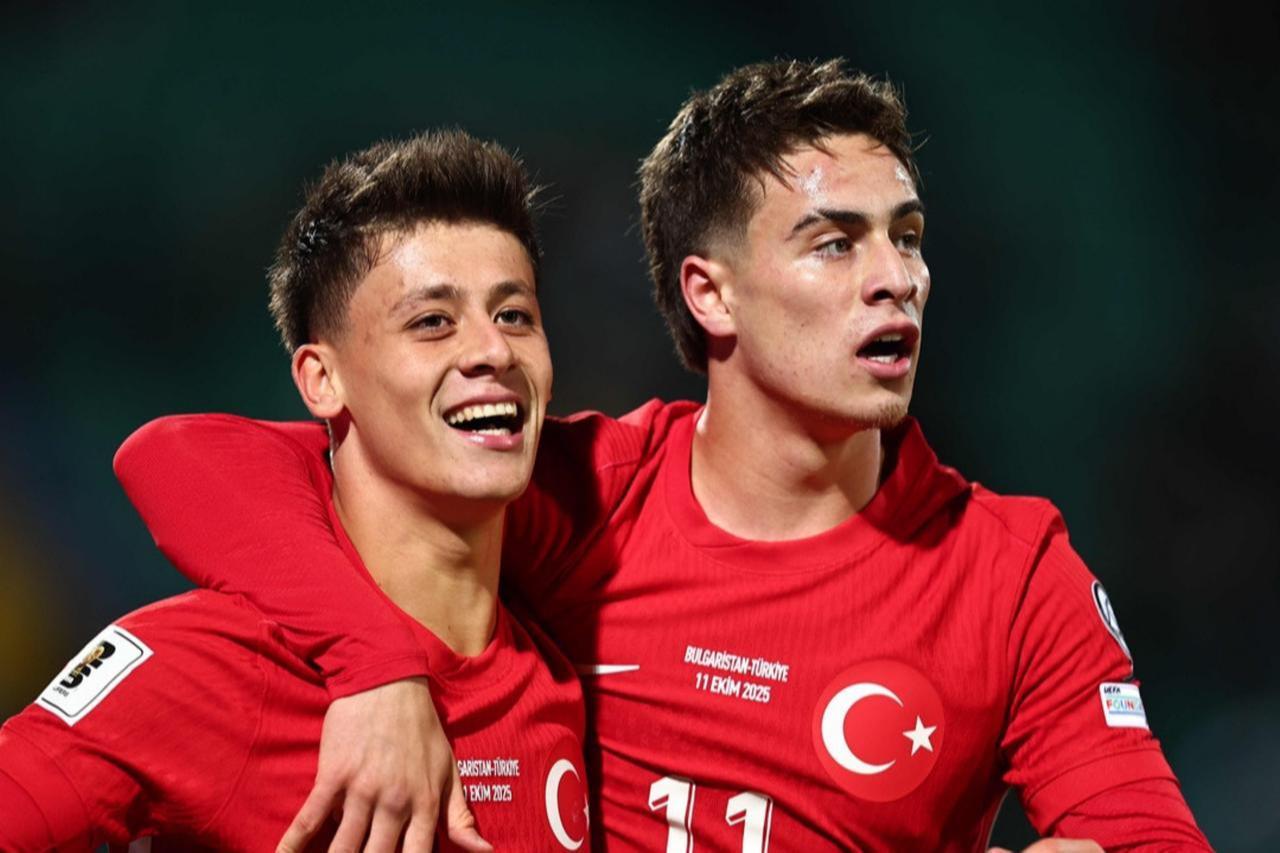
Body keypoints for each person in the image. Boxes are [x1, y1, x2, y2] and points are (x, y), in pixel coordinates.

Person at [114, 61, 1211, 850]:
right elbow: (187, 458)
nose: (896, 278)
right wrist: (380, 667)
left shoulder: (1013, 572)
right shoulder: (587, 491)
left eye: (907, 236)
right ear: (708, 292)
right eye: (835, 242)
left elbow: (1144, 836)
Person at [0, 130, 591, 852]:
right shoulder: (213, 665)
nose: (493, 350)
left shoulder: (561, 667)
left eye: (515, 315)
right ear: (322, 378)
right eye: (432, 321)